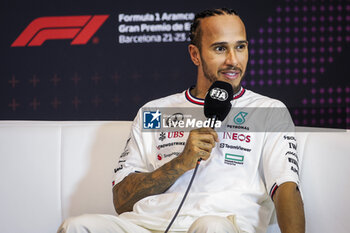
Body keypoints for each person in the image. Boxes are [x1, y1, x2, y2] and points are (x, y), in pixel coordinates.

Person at [58, 8, 305, 233]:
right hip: (146, 225)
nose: (233, 60)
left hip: (221, 225)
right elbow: (121, 200)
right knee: (76, 226)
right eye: (220, 49)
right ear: (195, 54)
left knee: (210, 227)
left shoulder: (268, 110)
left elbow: (286, 188)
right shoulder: (154, 111)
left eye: (240, 47)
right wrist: (181, 162)